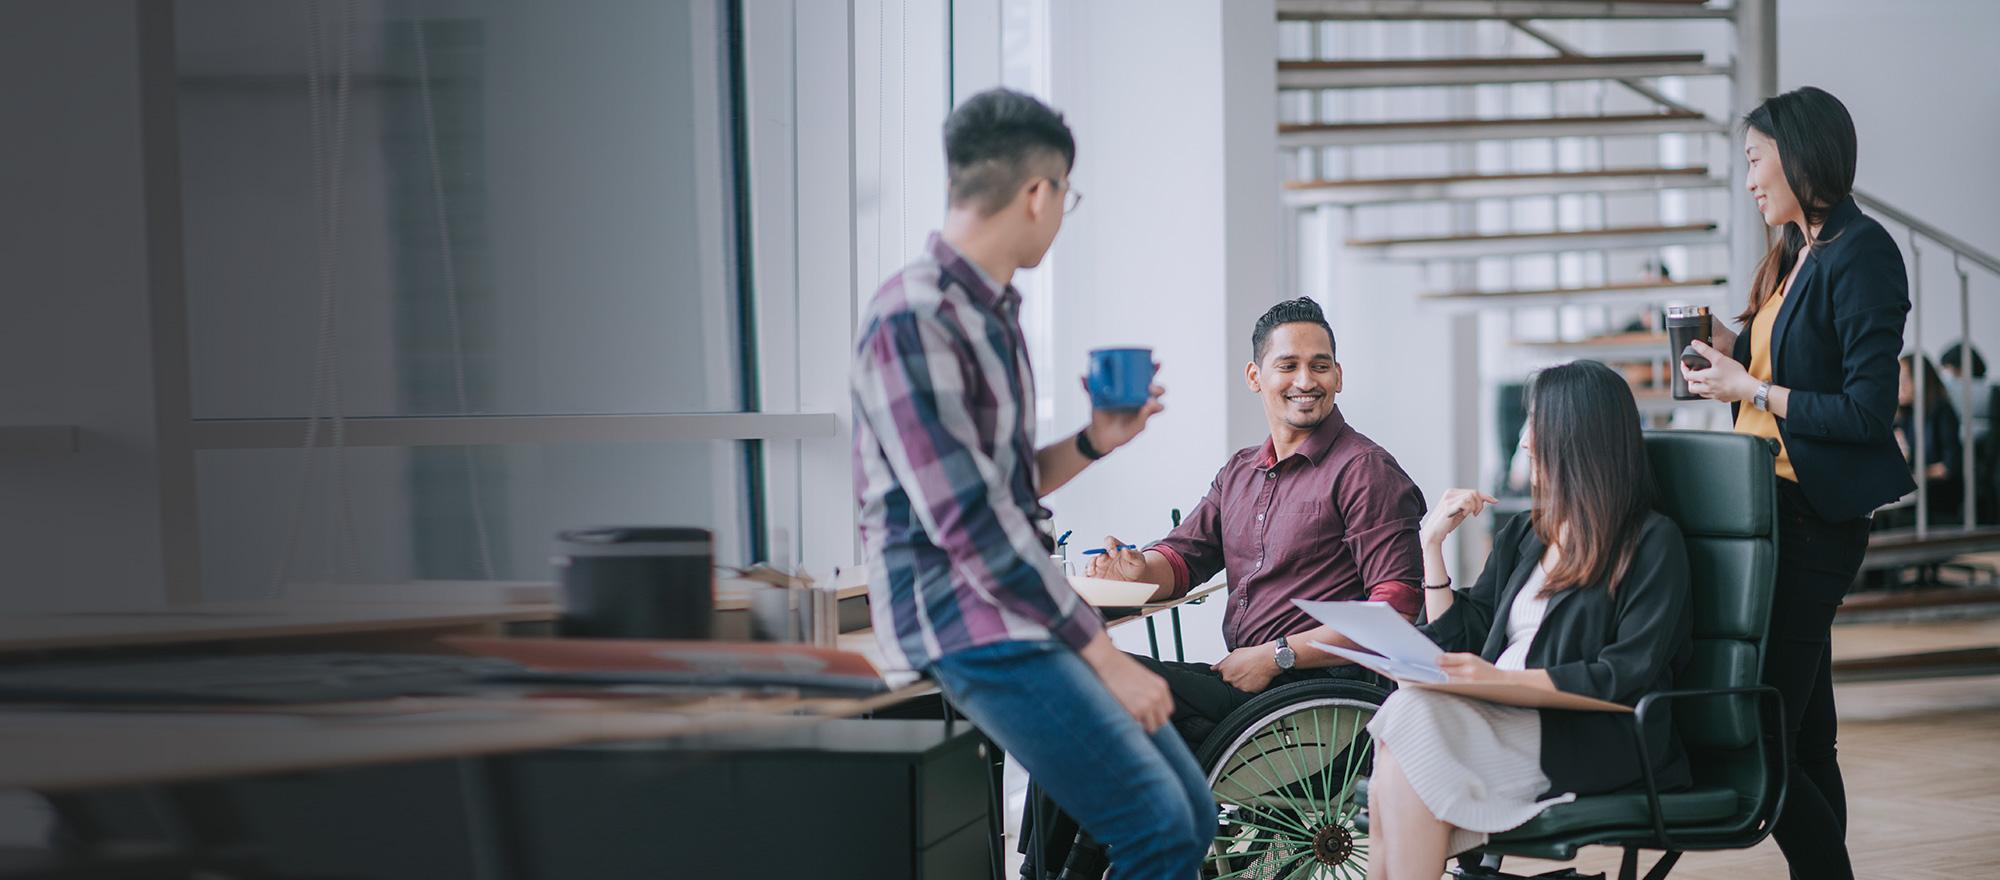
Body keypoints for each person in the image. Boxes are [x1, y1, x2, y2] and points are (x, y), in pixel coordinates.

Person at [850, 87, 1213, 879]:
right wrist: (1107, 658)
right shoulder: (913, 319)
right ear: (1039, 192)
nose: (1060, 215)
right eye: (1066, 198)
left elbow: (1006, 484)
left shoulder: (992, 314)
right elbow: (972, 527)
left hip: (1014, 613)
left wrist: (1094, 441)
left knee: (1191, 814)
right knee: (1160, 824)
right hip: (968, 626)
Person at [1682, 85, 1912, 880]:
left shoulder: (1864, 252)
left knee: (1761, 722)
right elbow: (1776, 359)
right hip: (1765, 508)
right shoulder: (1796, 251)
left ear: (1798, 153)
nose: (1747, 179)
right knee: (1804, 730)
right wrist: (1724, 345)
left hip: (1811, 517)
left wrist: (1749, 391)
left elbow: (1865, 413)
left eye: (1754, 159)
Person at [1365, 360, 1693, 879]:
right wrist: (1431, 546)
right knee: (1405, 722)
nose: (1524, 443)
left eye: (1535, 427)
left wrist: (1500, 680)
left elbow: (1626, 672)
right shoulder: (1527, 533)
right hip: (1497, 714)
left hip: (1587, 732)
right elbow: (1468, 633)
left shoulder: (1650, 542)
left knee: (1403, 749)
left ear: (1576, 438)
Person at [1085, 296, 1425, 747]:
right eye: (1288, 365)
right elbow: (1185, 557)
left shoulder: (1364, 470)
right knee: (1088, 704)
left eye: (1320, 366)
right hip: (1250, 687)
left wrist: (1277, 655)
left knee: (1094, 674)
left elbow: (1395, 612)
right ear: (1255, 377)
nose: (1306, 380)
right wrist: (1140, 570)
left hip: (1316, 697)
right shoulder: (1240, 471)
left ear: (1338, 376)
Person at [1895, 353, 1963, 516]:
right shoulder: (1906, 416)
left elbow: (1949, 467)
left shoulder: (1942, 411)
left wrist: (1916, 476)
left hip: (1939, 493)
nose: (1899, 387)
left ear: (1921, 380)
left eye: (1904, 380)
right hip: (1916, 488)